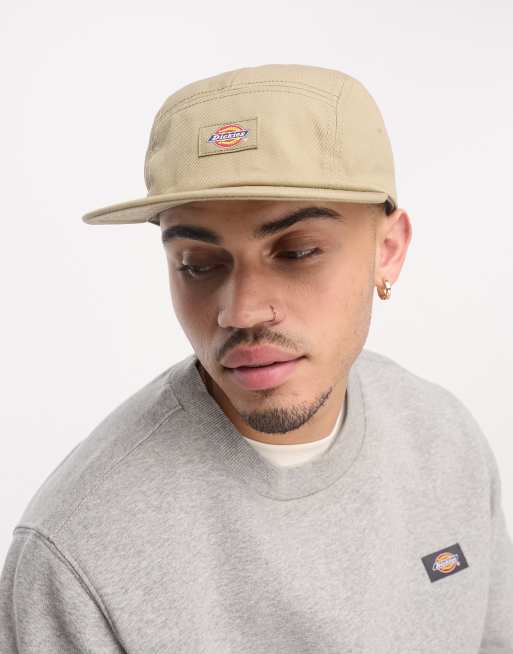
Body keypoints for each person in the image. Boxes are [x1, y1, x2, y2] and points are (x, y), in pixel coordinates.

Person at [1, 64, 511, 653]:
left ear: (388, 251)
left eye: (297, 252)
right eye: (197, 264)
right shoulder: (75, 555)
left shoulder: (444, 440)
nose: (240, 311)